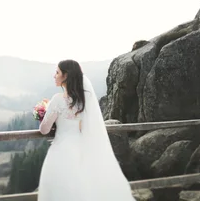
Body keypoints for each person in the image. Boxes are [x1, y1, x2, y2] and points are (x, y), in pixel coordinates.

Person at [37, 59, 135, 200]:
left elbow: (44, 130)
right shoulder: (84, 100)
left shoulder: (57, 99)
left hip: (62, 151)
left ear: (65, 76)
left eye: (57, 72)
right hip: (82, 149)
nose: (54, 75)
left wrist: (43, 116)